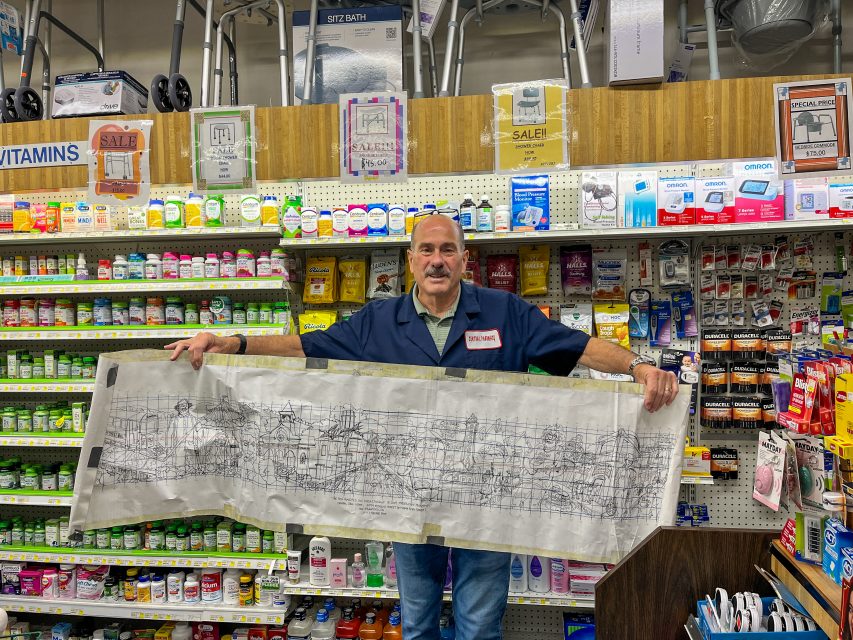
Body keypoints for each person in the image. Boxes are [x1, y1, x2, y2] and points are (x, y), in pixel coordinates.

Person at [166, 214, 678, 640]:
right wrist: (231, 342)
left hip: (488, 498)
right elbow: (305, 346)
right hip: (407, 497)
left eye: (448, 249)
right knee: (417, 623)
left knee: (478, 625)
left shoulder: (504, 312)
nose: (437, 259)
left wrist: (639, 366)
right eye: (427, 249)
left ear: (463, 260)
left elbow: (578, 345)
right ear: (411, 260)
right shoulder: (377, 321)